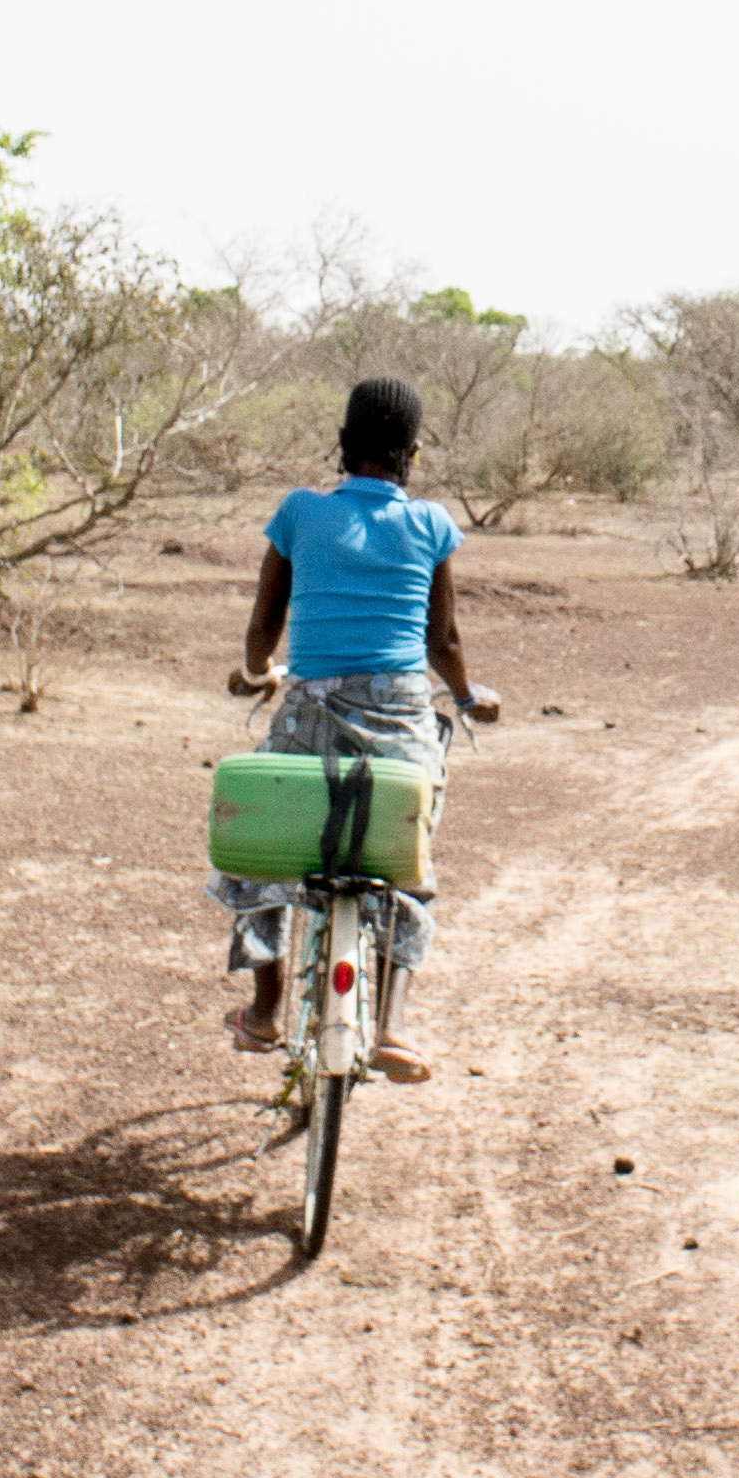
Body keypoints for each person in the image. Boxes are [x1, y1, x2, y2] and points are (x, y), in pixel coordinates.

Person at [214, 374, 500, 1083]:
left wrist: (258, 671)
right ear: (414, 452)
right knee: (410, 862)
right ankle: (394, 1025)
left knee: (258, 853)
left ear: (341, 444)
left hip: (309, 716)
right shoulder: (431, 525)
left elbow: (263, 626)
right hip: (400, 723)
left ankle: (266, 1010)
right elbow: (446, 641)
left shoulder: (300, 513)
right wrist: (467, 699)